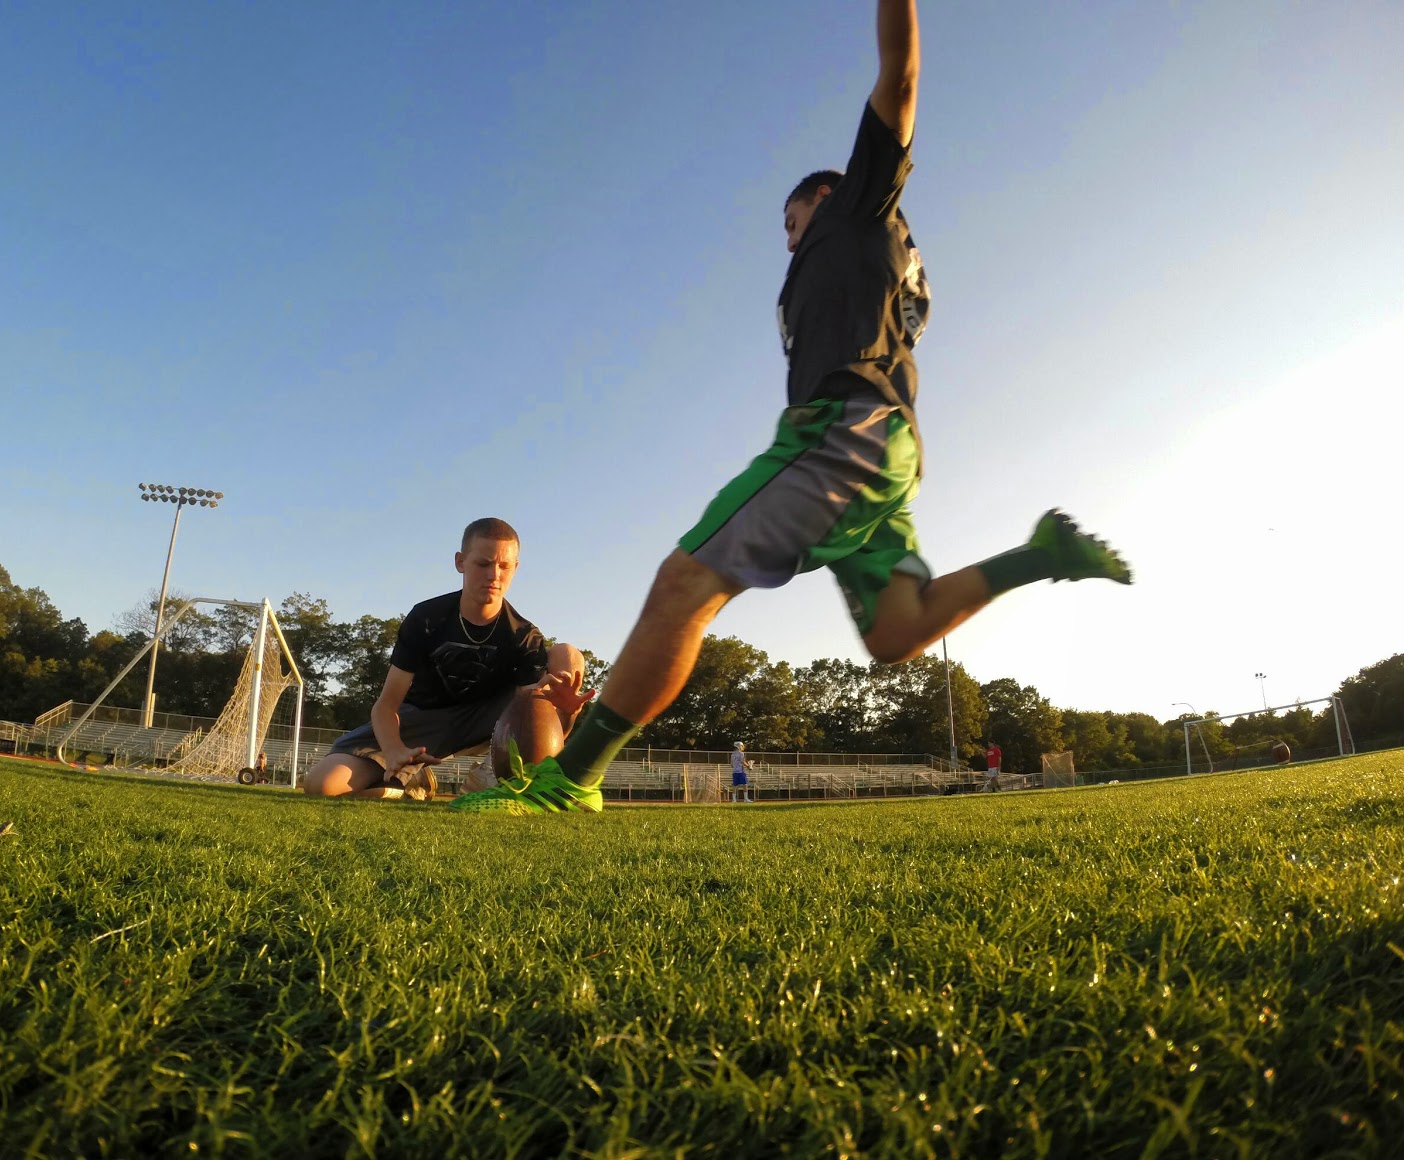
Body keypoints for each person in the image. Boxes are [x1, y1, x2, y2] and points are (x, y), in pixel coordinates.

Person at [451, 0, 1130, 816]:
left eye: (790, 219)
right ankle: (1037, 554)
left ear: (826, 197)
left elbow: (900, 74)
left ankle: (573, 783)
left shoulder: (858, 209)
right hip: (889, 454)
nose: (786, 236)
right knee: (894, 633)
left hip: (843, 431)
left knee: (684, 584)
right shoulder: (846, 266)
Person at [303, 518, 593, 800]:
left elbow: (532, 728)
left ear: (515, 568)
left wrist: (566, 714)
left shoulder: (524, 637)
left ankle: (494, 773)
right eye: (483, 563)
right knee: (323, 784)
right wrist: (394, 750)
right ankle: (409, 778)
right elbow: (385, 706)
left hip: (489, 721)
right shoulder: (427, 618)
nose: (494, 575)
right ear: (460, 562)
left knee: (567, 653)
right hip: (421, 721)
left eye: (504, 566)